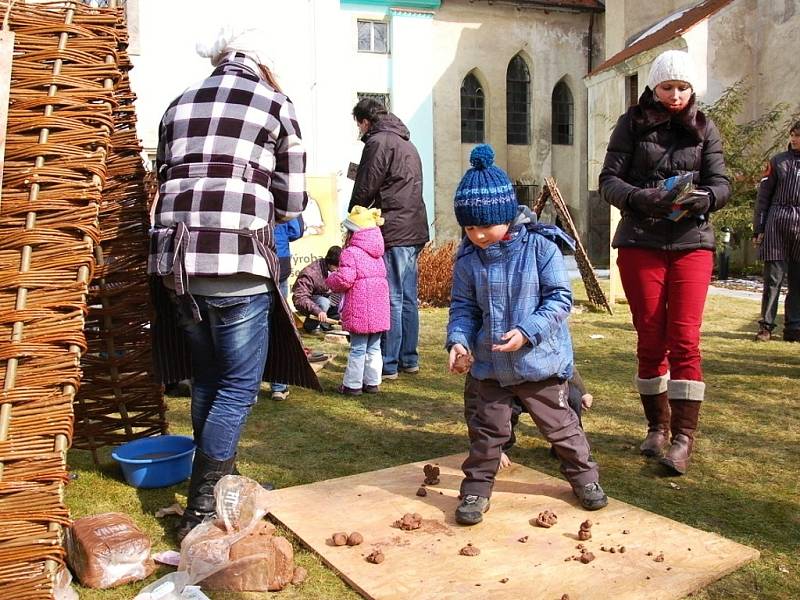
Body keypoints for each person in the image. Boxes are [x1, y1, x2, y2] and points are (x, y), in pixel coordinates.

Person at [147, 25, 319, 542]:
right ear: (264, 63)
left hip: (178, 264)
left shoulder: (178, 103)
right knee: (238, 388)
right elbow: (291, 202)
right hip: (237, 260)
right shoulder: (275, 103)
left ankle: (222, 486)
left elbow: (162, 173)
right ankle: (203, 505)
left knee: (206, 379)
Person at [447, 145, 607, 526]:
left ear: (505, 215)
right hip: (489, 368)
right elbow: (464, 309)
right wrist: (459, 341)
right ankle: (476, 489)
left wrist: (527, 332)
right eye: (469, 228)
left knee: (562, 427)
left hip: (541, 364)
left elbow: (559, 299)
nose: (478, 234)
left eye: (485, 226)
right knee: (487, 433)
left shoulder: (541, 248)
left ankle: (585, 479)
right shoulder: (468, 260)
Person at [598, 50, 730, 475]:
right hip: (641, 241)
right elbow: (609, 181)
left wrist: (706, 198)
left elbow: (721, 183)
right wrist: (641, 197)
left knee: (685, 339)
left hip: (692, 242)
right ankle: (657, 426)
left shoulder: (706, 128)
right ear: (654, 87)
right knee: (651, 337)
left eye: (683, 87)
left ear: (692, 90)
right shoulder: (631, 124)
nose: (675, 95)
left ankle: (683, 438)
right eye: (668, 86)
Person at [349, 98, 429, 380]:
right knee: (407, 297)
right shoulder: (406, 141)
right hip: (414, 227)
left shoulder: (379, 141)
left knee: (392, 297)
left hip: (394, 228)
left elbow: (366, 185)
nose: (358, 130)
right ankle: (409, 359)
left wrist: (353, 217)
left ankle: (390, 362)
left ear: (365, 121)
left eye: (358, 124)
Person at [463, 365, 594, 470]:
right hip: (504, 391)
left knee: (573, 396)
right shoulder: (485, 348)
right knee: (500, 409)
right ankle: (498, 448)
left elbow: (564, 360)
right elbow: (475, 406)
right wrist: (492, 452)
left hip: (541, 385)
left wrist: (583, 392)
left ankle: (568, 451)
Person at [326, 207, 391, 395]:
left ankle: (352, 385)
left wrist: (331, 279)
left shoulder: (350, 253)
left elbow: (345, 279)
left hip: (360, 308)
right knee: (374, 347)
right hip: (378, 308)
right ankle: (372, 382)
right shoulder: (378, 253)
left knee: (358, 348)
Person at [752, 121, 800, 342]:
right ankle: (766, 326)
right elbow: (763, 198)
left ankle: (794, 327)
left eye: (799, 136)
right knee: (773, 280)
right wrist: (758, 228)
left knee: (798, 281)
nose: (795, 139)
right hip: (777, 224)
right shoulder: (778, 161)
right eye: (793, 135)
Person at [270, 216, 303, 400]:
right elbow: (296, 230)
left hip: (255, 258)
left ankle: (247, 388)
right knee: (280, 324)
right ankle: (278, 385)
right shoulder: (284, 194)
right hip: (280, 259)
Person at [291, 246, 342, 333]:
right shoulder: (310, 272)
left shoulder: (339, 269)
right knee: (324, 303)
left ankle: (325, 326)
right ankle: (311, 327)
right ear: (329, 263)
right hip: (313, 300)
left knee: (342, 300)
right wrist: (317, 311)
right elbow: (299, 298)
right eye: (336, 267)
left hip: (328, 297)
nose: (338, 269)